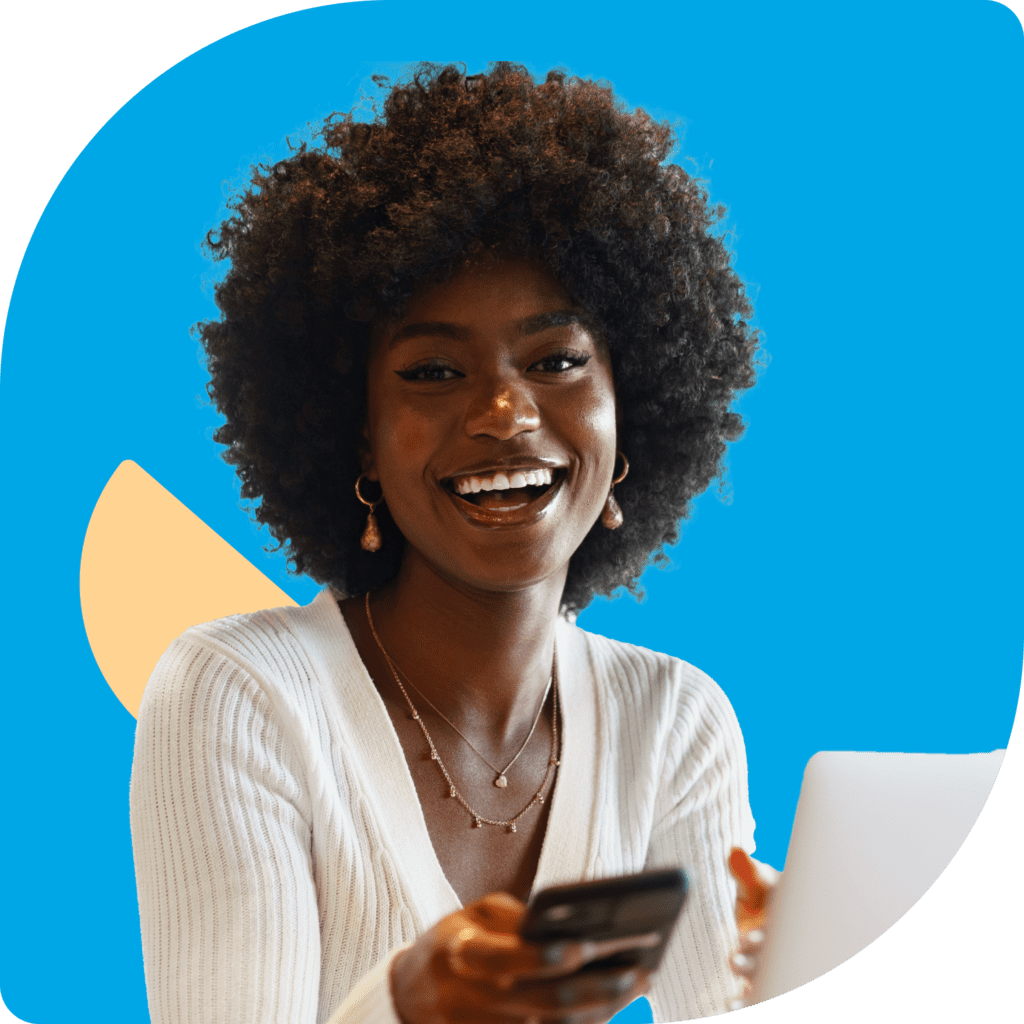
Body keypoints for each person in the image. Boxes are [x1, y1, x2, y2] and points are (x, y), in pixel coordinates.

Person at [129, 63, 773, 1024]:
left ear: (631, 404)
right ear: (359, 437)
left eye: (556, 360)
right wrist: (402, 1006)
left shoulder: (675, 722)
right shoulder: (242, 695)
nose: (507, 413)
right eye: (433, 370)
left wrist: (813, 968)